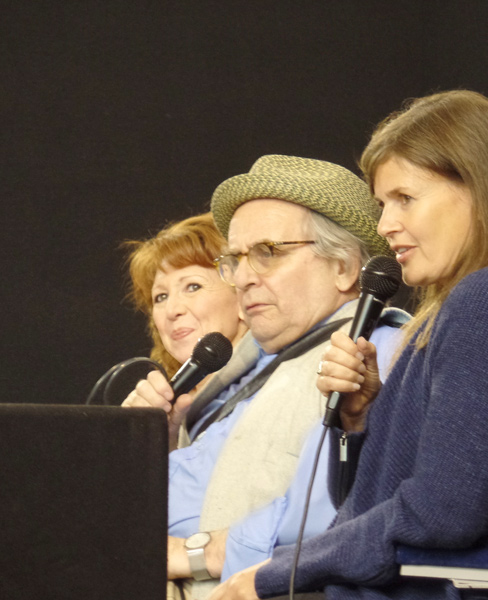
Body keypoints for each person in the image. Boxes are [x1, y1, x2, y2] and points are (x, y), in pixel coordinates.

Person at [210, 90, 488, 600]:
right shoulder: (467, 307)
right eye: (382, 204)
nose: (384, 226)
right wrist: (361, 422)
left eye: (405, 199)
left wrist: (275, 573)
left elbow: (441, 517)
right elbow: (374, 504)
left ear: (479, 189)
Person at [122, 155, 404, 600]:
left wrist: (201, 553)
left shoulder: (374, 353)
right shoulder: (246, 369)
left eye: (267, 253)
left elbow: (353, 509)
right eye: (235, 259)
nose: (244, 278)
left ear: (344, 268)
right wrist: (157, 437)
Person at [124, 212, 248, 379]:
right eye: (161, 297)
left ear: (243, 294)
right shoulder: (171, 402)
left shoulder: (282, 386)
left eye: (192, 287)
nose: (172, 311)